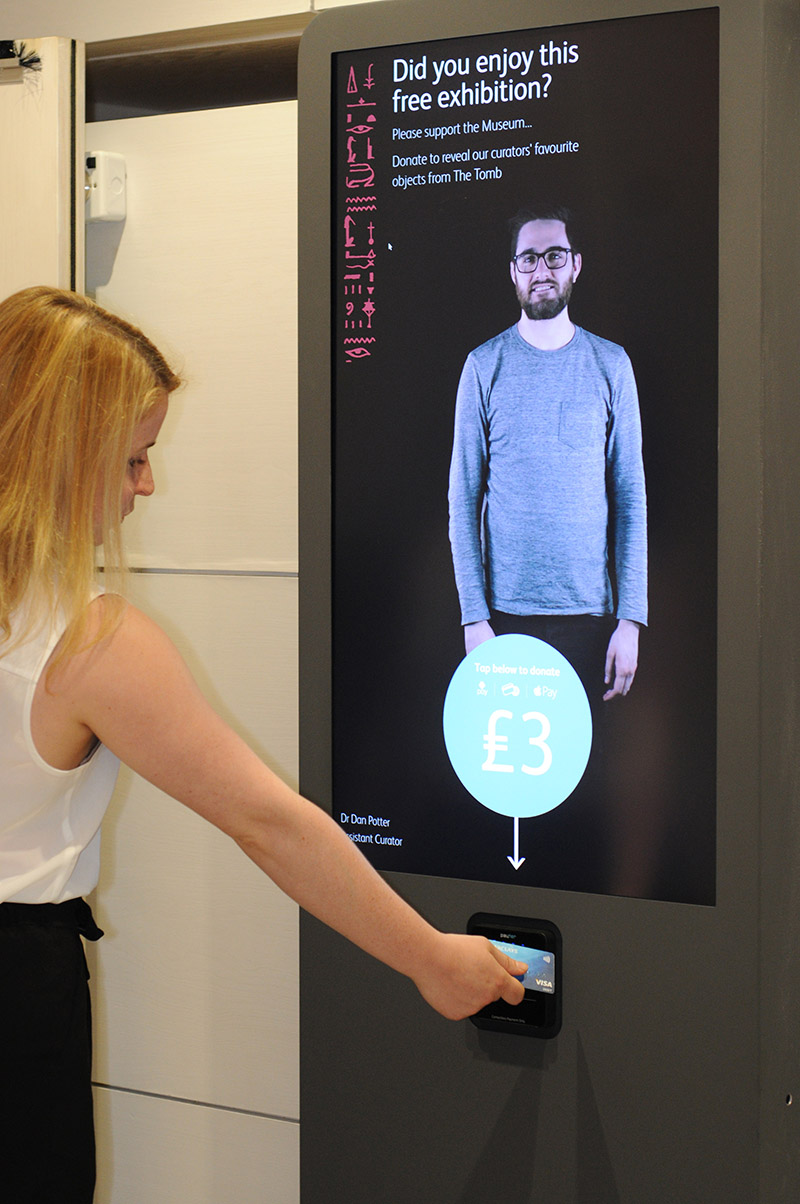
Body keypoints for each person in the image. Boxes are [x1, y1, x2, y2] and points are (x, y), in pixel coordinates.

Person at [0, 286, 526, 1203]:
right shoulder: (88, 641)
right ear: (59, 449)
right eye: (133, 459)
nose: (146, 487)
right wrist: (430, 959)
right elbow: (267, 823)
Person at [448, 204, 647, 705]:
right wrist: (474, 618)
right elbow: (461, 501)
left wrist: (631, 620)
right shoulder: (482, 367)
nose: (542, 271)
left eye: (554, 256)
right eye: (529, 259)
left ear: (576, 265)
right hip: (503, 617)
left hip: (592, 620)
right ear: (513, 271)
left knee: (592, 776)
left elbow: (630, 499)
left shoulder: (611, 365)